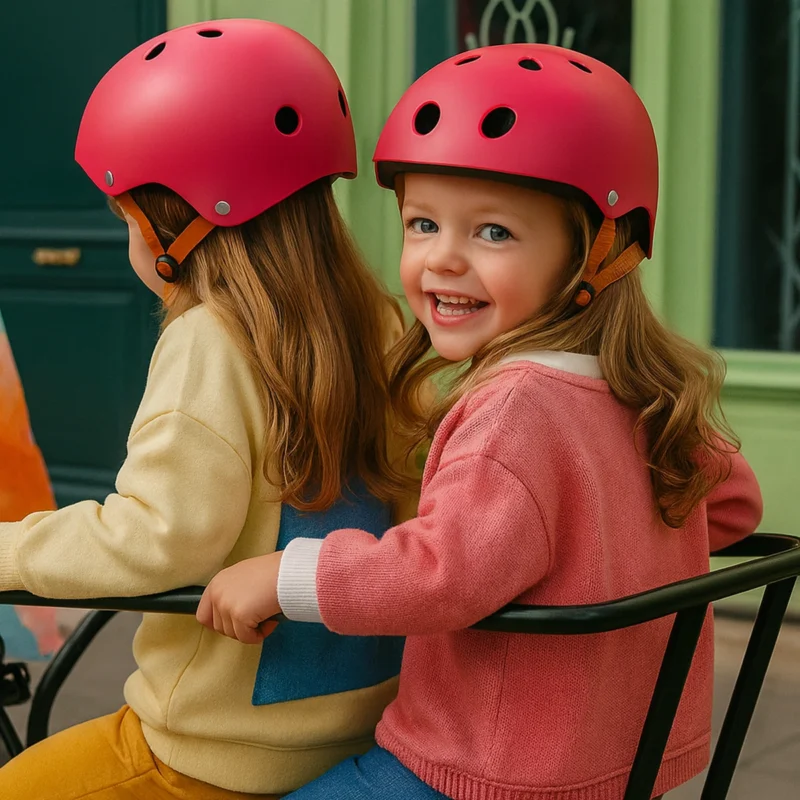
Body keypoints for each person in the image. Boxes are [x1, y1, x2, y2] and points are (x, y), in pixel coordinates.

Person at [198, 44, 763, 800]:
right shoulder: (647, 391)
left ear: (598, 252)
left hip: (477, 775)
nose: (444, 260)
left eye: (493, 232)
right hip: (622, 768)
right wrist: (601, 546)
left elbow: (441, 575)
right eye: (423, 223)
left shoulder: (514, 408)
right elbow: (734, 505)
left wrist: (286, 575)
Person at [0, 19, 418, 800]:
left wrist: (9, 552)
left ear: (176, 228)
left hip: (201, 757)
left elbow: (156, 540)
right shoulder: (387, 325)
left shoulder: (209, 340)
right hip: (359, 729)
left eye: (127, 221)